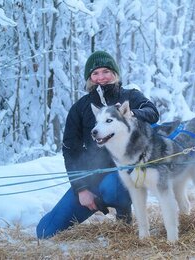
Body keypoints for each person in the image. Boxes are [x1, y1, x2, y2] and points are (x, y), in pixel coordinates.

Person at [36, 51, 159, 239]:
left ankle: (124, 218)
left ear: (115, 74)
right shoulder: (80, 108)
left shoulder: (129, 96)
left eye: (106, 71)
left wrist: (130, 115)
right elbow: (70, 150)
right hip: (91, 177)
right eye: (95, 73)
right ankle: (96, 200)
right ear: (89, 78)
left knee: (114, 190)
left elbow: (152, 112)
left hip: (124, 171)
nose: (101, 77)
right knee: (45, 232)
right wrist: (81, 189)